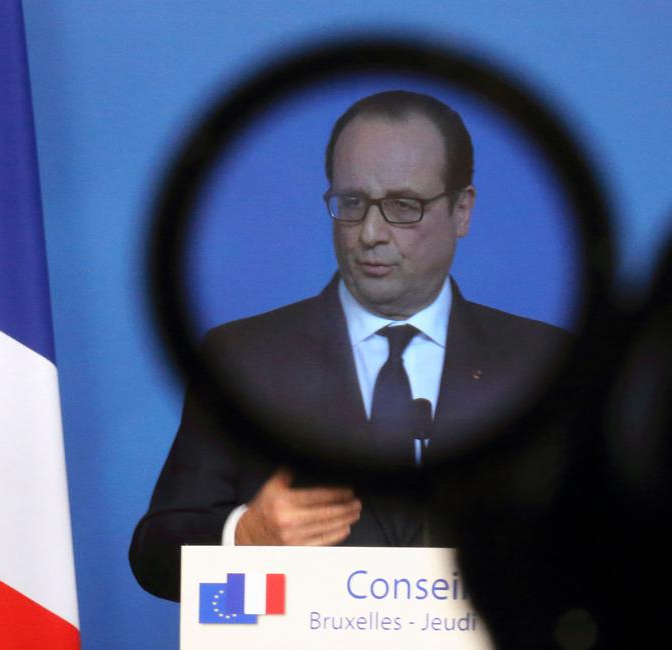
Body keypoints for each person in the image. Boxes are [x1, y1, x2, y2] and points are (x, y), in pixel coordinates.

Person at [130, 90, 567, 601]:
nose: (370, 233)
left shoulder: (542, 361)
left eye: (403, 206)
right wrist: (246, 536)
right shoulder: (242, 357)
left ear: (462, 210)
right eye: (353, 204)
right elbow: (155, 554)